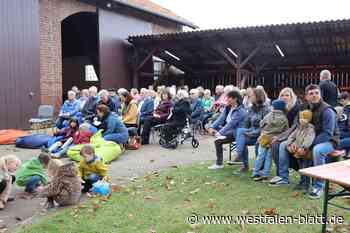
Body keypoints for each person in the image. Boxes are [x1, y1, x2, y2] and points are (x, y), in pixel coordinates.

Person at [272, 84, 339, 200]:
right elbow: (297, 127)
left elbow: (328, 133)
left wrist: (307, 146)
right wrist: (293, 142)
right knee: (283, 145)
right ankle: (286, 178)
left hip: (329, 141)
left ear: (320, 95)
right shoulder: (303, 108)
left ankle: (318, 186)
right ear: (306, 96)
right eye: (311, 93)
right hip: (306, 140)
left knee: (317, 151)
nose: (314, 96)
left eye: (316, 93)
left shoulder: (327, 110)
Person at [232, 88, 271, 174]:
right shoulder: (251, 108)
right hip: (251, 134)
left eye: (252, 95)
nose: (249, 96)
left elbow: (266, 127)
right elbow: (246, 124)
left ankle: (260, 167)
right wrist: (246, 132)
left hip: (262, 135)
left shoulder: (267, 109)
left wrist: (250, 133)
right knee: (240, 134)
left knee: (244, 135)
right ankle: (244, 165)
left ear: (258, 96)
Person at [207, 90, 247, 170]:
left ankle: (219, 164)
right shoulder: (228, 107)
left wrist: (219, 133)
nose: (226, 99)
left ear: (235, 99)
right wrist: (211, 127)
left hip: (238, 133)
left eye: (229, 98)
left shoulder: (241, 111)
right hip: (229, 131)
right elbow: (221, 119)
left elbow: (231, 124)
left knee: (218, 141)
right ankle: (219, 164)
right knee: (217, 140)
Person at [252, 100, 289, 181]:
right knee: (269, 157)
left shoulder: (269, 115)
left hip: (264, 138)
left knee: (260, 156)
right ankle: (266, 174)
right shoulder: (284, 118)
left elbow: (261, 123)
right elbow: (286, 129)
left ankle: (255, 172)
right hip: (273, 140)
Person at [270, 87, 301, 176]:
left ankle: (282, 174)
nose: (284, 97)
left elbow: (294, 127)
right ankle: (262, 171)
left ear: (292, 97)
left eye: (287, 95)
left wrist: (279, 137)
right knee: (262, 143)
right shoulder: (279, 109)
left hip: (295, 135)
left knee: (276, 145)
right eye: (282, 95)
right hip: (282, 134)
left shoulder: (297, 109)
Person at [286, 110, 315, 192]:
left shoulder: (310, 129)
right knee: (300, 168)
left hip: (306, 152)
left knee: (306, 168)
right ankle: (301, 182)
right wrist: (290, 143)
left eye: (304, 118)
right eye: (301, 118)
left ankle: (306, 185)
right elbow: (292, 136)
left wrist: (303, 147)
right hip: (297, 152)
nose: (302, 120)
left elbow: (309, 139)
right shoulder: (299, 127)